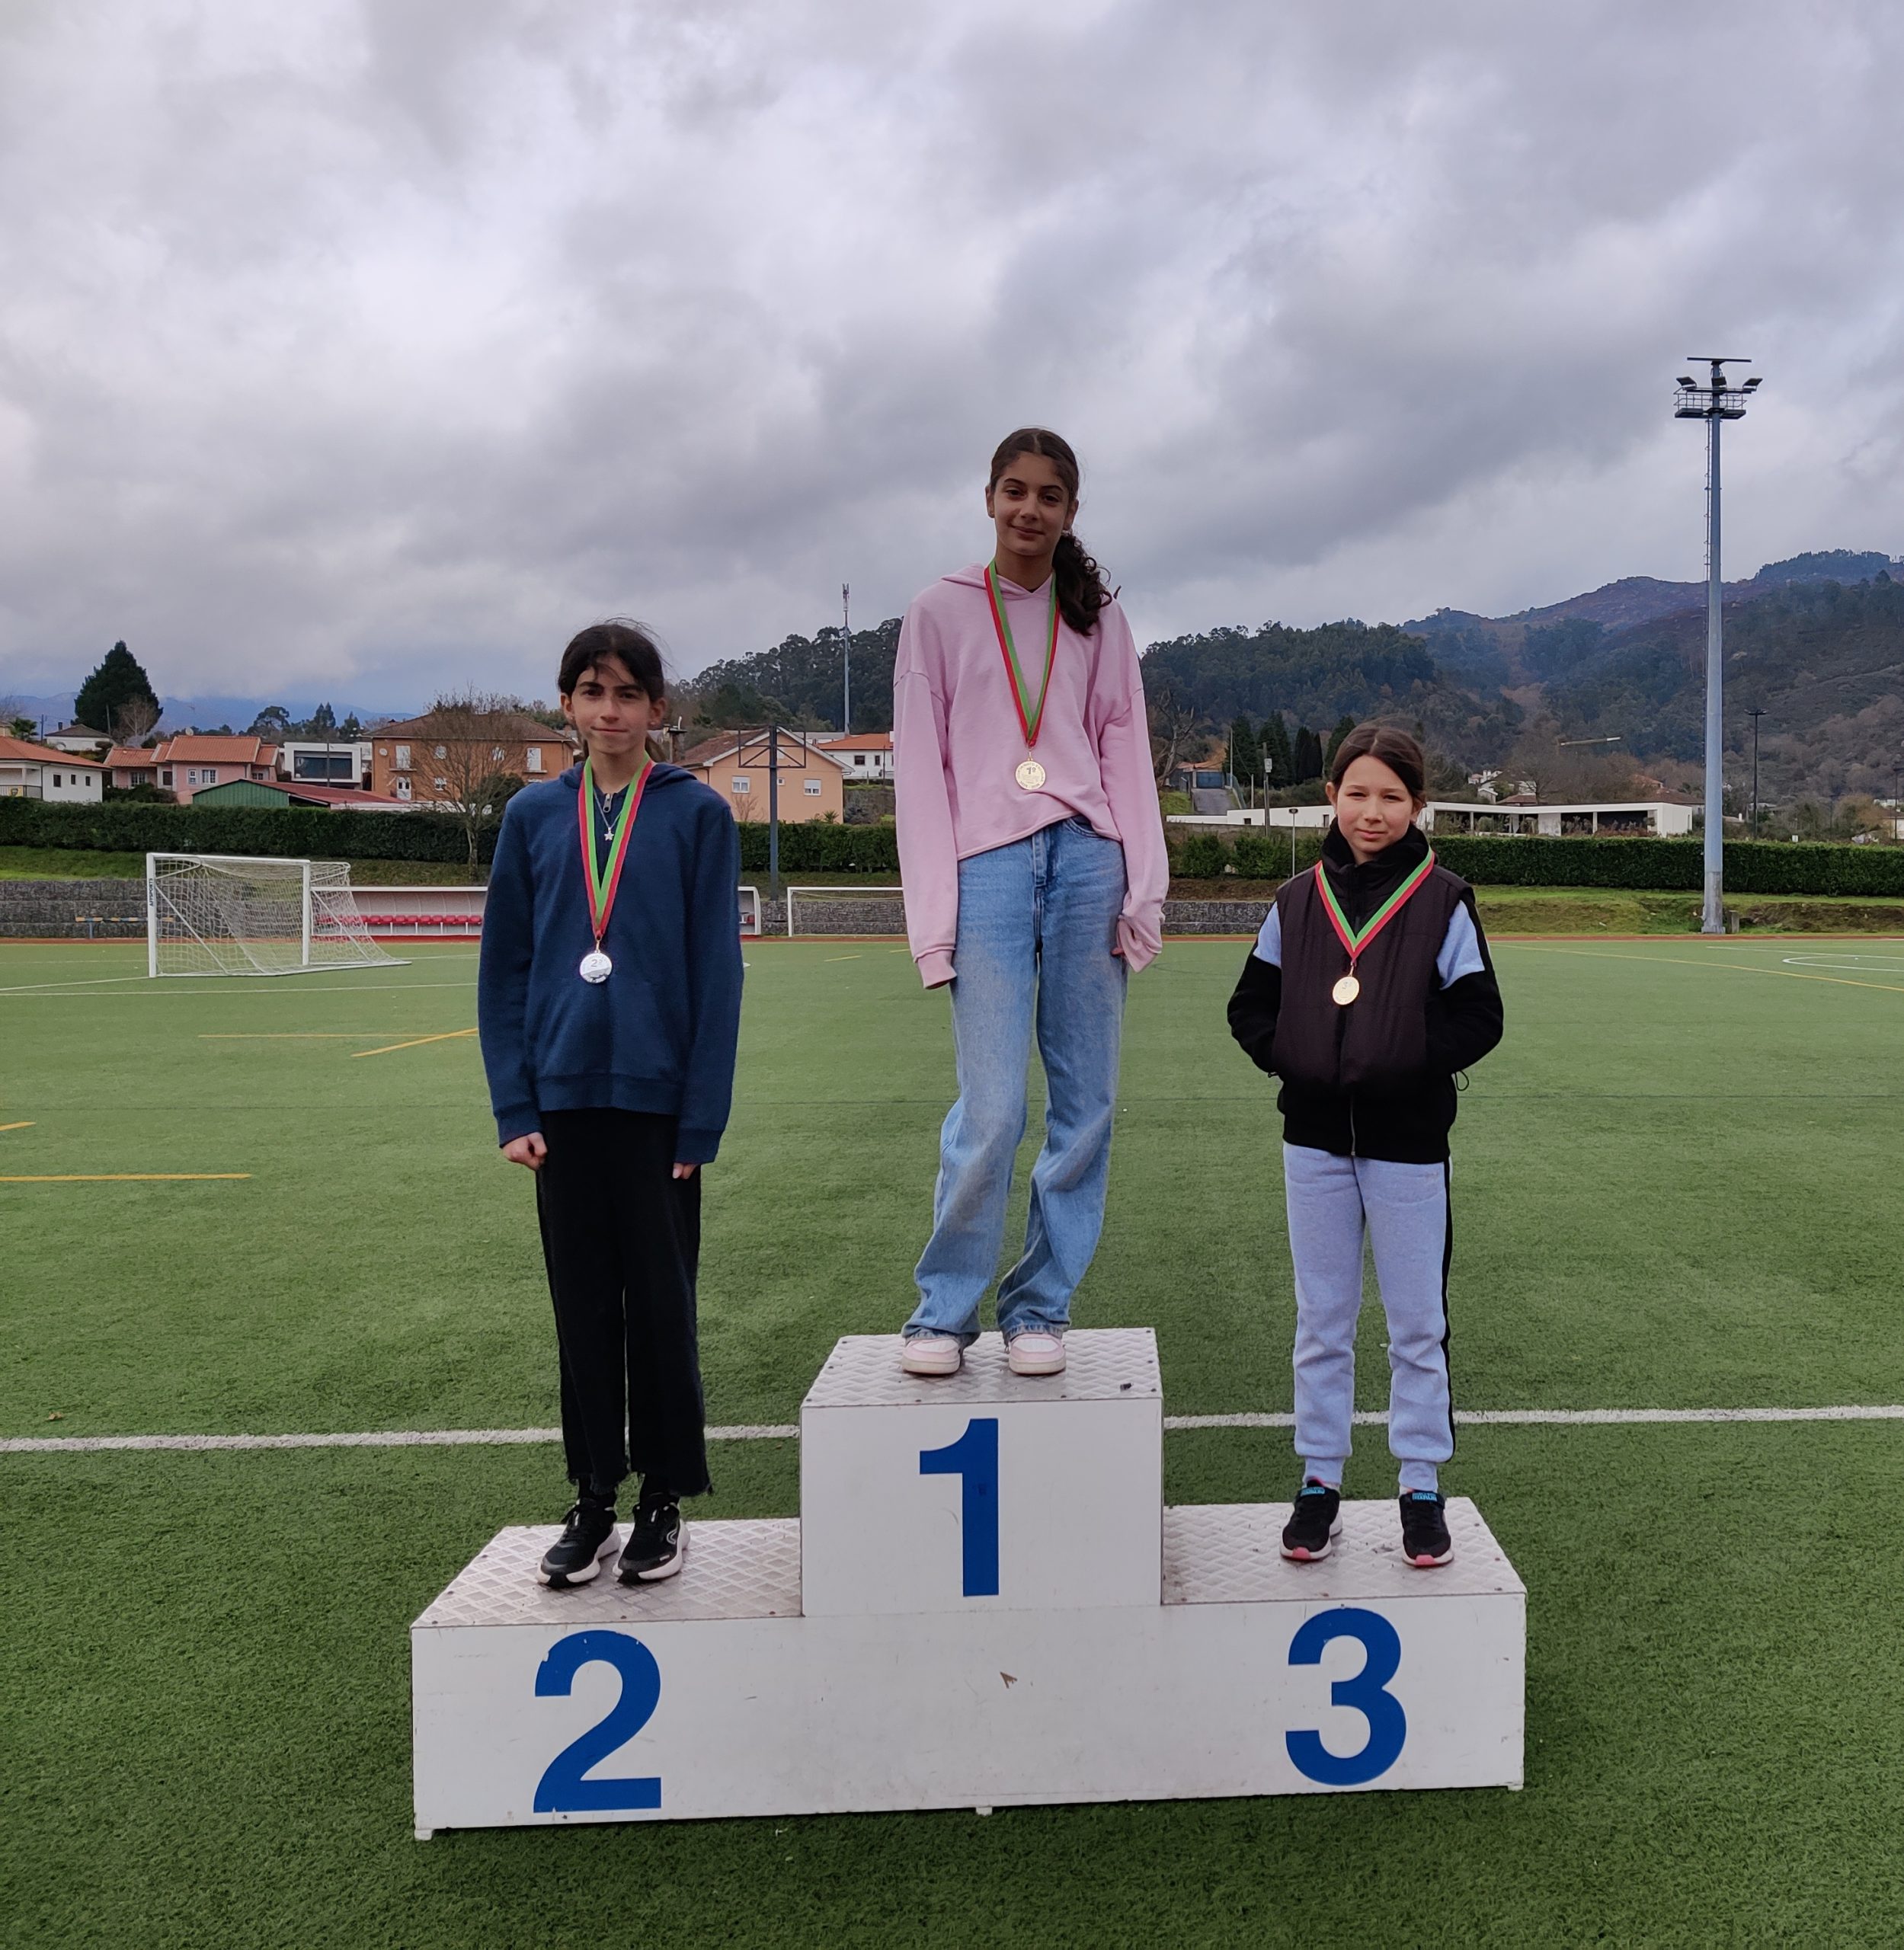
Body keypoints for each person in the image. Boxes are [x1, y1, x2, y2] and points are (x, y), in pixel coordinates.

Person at [891, 427, 1168, 1378]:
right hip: (990, 866)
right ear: (989, 498)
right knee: (994, 1105)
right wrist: (933, 922)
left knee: (1086, 1104)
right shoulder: (937, 611)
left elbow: (1125, 743)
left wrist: (1142, 886)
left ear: (1071, 511)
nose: (1029, 509)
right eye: (1015, 490)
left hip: (1089, 858)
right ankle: (944, 1312)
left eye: (1049, 496)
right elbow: (921, 772)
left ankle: (1040, 1307)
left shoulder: (1098, 618)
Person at [478, 621, 743, 1588]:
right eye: (592, 692)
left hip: (659, 1110)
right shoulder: (531, 817)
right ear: (567, 705)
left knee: (661, 1311)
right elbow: (504, 969)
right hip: (561, 1107)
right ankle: (593, 1494)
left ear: (657, 709)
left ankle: (662, 1498)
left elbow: (717, 976)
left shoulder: (696, 815)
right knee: (582, 1311)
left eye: (628, 693)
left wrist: (700, 1118)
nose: (610, 710)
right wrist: (515, 1106)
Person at [1227, 724, 1503, 1567]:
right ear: (1331, 798)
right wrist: (1298, 1058)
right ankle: (1320, 1481)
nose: (1371, 812)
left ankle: (1420, 1485)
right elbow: (1249, 1006)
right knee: (1322, 1320)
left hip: (1408, 1144)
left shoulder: (1443, 900)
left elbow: (1480, 1016)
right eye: (1357, 794)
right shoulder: (1294, 900)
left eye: (1390, 796)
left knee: (1417, 1324)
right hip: (1312, 1141)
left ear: (1418, 805)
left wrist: (1404, 1060)